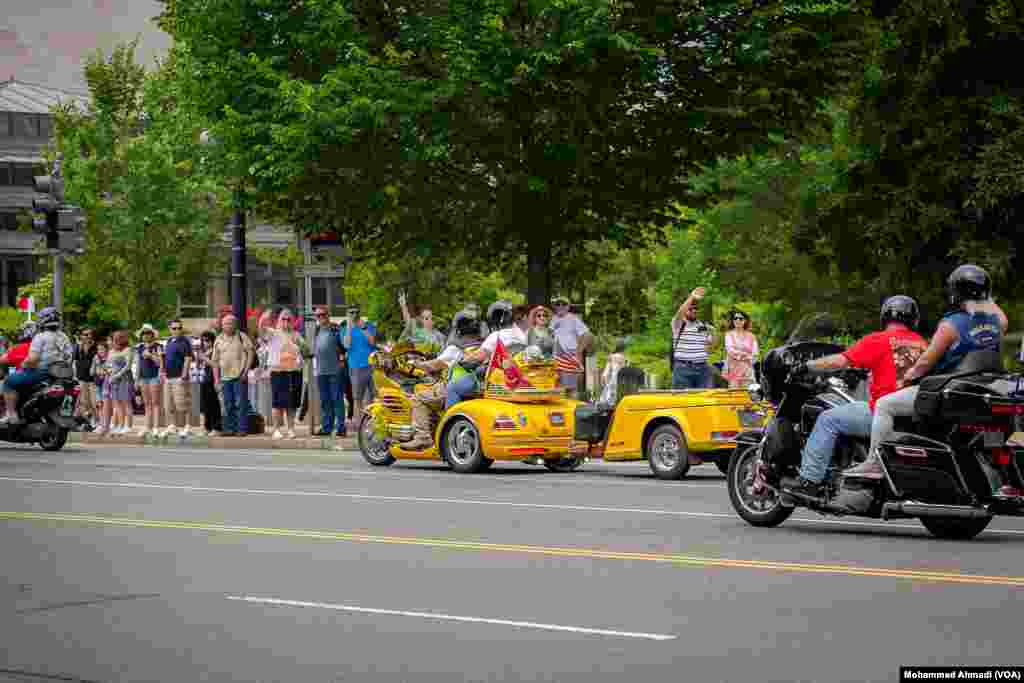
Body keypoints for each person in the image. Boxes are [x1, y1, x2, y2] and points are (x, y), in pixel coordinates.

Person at [850, 265, 1008, 481]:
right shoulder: (998, 322)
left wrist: (909, 376)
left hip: (949, 389)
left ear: (955, 292)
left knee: (884, 405)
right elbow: (993, 310)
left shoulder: (950, 324)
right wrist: (984, 295)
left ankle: (873, 464)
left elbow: (926, 361)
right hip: (981, 387)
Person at [782, 296, 927, 499]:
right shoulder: (921, 343)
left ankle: (810, 480)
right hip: (912, 414)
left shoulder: (878, 340)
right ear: (913, 319)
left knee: (827, 419)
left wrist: (807, 366)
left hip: (883, 414)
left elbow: (841, 361)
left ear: (885, 316)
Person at [401, 312, 494, 451]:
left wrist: (416, 363)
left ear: (458, 329)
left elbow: (434, 365)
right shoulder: (482, 346)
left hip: (453, 388)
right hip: (476, 388)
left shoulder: (455, 348)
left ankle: (422, 438)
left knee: (418, 398)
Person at [0, 307, 72, 425]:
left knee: (9, 381)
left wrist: (24, 364)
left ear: (43, 320)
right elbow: (69, 356)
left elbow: (33, 359)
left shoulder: (40, 337)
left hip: (43, 373)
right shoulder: (64, 337)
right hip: (64, 373)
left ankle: (11, 414)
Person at [445, 304, 525, 409]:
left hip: (493, 380)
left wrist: (462, 361)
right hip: (514, 378)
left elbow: (478, 357)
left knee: (452, 387)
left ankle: (452, 420)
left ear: (496, 320)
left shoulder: (497, 335)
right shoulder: (521, 335)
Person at [262, 308, 308, 439]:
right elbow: (261, 330)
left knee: (292, 403)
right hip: (278, 371)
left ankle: (291, 429)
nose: (286, 321)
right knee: (278, 403)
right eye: (283, 318)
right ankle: (276, 429)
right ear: (279, 320)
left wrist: (301, 346)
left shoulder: (296, 335)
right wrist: (263, 319)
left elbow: (306, 351)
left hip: (294, 371)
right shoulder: (273, 333)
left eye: (289, 319)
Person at [211, 314, 255, 437]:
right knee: (228, 404)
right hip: (225, 377)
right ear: (222, 325)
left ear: (235, 325)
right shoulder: (218, 339)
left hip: (239, 375)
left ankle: (241, 429)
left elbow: (250, 353)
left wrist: (246, 371)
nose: (227, 326)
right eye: (225, 323)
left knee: (241, 403)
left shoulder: (242, 336)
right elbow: (215, 361)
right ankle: (230, 428)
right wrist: (216, 380)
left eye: (230, 323)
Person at [671, 287, 716, 389]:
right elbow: (680, 312)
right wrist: (692, 297)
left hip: (703, 369)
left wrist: (714, 335)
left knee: (704, 401)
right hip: (683, 369)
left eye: (696, 308)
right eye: (690, 308)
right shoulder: (678, 324)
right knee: (682, 401)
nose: (693, 311)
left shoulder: (703, 326)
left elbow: (709, 349)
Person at [312, 306, 347, 437]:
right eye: (318, 316)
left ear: (328, 315)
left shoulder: (335, 329)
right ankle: (327, 427)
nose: (320, 318)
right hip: (321, 371)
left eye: (323, 315)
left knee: (337, 399)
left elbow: (344, 347)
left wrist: (342, 362)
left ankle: (341, 427)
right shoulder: (317, 330)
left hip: (335, 370)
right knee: (325, 400)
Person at [550, 295, 593, 397]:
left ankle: (573, 410)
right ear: (555, 306)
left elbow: (587, 335)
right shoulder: (553, 319)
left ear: (568, 307)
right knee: (558, 388)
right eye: (558, 304)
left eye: (563, 304)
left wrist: (579, 351)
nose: (560, 306)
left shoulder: (573, 319)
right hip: (556, 358)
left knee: (571, 389)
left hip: (569, 357)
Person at [342, 304, 377, 428]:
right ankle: (360, 426)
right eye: (351, 312)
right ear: (347, 314)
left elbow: (373, 342)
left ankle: (373, 424)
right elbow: (347, 345)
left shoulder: (368, 326)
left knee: (374, 397)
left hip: (371, 366)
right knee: (357, 398)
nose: (354, 315)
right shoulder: (345, 328)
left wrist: (363, 328)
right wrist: (350, 328)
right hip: (356, 367)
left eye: (356, 312)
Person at [161, 319, 194, 438]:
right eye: (174, 328)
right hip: (169, 377)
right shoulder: (169, 341)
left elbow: (188, 358)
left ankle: (188, 426)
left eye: (179, 328)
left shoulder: (184, 342)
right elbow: (165, 358)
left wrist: (184, 375)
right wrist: (163, 372)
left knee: (183, 403)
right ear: (170, 329)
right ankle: (172, 426)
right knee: (169, 404)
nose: (177, 330)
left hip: (179, 377)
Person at [131, 323, 164, 436]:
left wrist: (150, 355)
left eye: (148, 333)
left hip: (154, 377)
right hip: (143, 378)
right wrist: (136, 379)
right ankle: (147, 426)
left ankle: (155, 427)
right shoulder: (139, 347)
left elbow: (160, 363)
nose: (145, 335)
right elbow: (138, 364)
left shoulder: (158, 346)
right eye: (143, 333)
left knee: (155, 403)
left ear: (152, 334)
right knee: (147, 403)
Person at [723, 310, 759, 388]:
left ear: (745, 321)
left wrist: (747, 358)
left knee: (748, 395)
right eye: (735, 318)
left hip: (748, 371)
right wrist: (745, 355)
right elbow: (730, 351)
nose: (738, 320)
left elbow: (755, 354)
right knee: (734, 395)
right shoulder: (728, 335)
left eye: (740, 318)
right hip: (733, 371)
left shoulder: (752, 336)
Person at [197, 330, 222, 436]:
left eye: (207, 340)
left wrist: (204, 358)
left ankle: (216, 428)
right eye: (203, 341)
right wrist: (200, 360)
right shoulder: (205, 352)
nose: (205, 343)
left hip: (213, 379)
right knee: (205, 405)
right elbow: (200, 366)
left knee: (213, 404)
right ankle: (207, 427)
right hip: (205, 379)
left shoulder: (215, 350)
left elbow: (216, 365)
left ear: (212, 340)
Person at [73, 328, 98, 427]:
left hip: (93, 379)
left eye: (89, 334)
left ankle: (97, 421)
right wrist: (75, 376)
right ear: (81, 336)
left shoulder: (96, 347)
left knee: (94, 401)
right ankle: (87, 422)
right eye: (85, 334)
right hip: (81, 378)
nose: (88, 336)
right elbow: (75, 362)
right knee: (84, 401)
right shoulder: (77, 348)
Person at [599, 340, 630, 406]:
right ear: (623, 348)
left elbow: (607, 368)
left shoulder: (612, 356)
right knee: (616, 396)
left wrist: (604, 376)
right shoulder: (624, 357)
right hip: (620, 379)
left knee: (608, 395)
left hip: (612, 379)